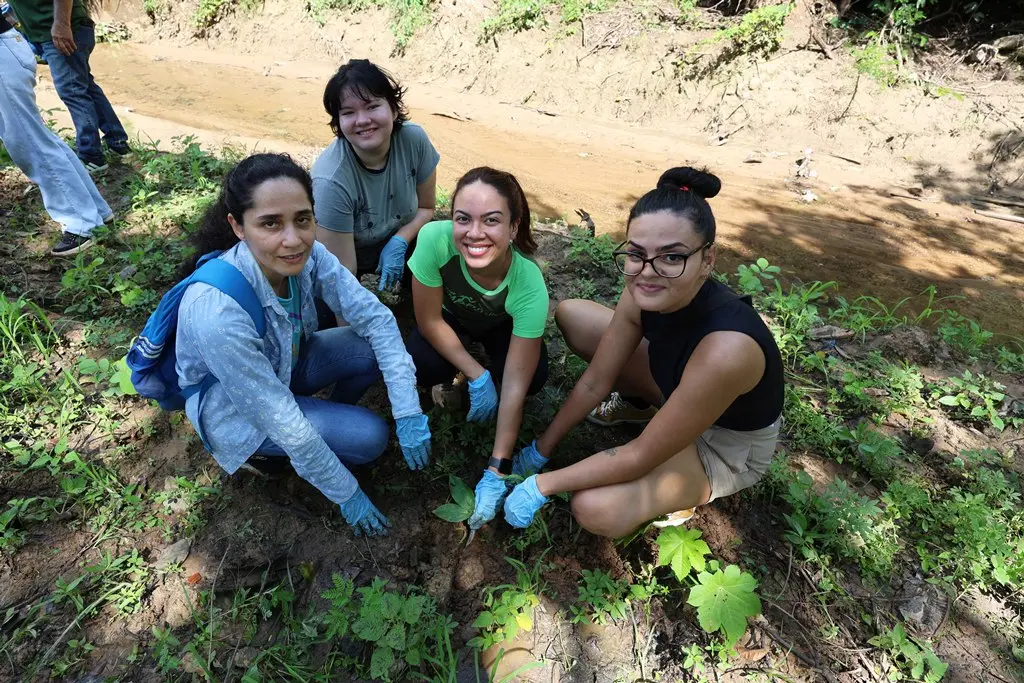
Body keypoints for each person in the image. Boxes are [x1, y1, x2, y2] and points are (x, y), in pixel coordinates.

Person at [502, 167, 784, 538]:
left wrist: (540, 485)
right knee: (575, 315)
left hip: (722, 443)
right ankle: (640, 407)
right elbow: (595, 382)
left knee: (595, 508)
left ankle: (682, 492)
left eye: (672, 257)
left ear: (709, 258)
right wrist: (541, 449)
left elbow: (639, 455)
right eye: (637, 254)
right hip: (679, 389)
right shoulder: (643, 285)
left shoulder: (728, 348)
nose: (648, 273)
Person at [175, 153, 433, 537]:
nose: (292, 240)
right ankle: (262, 454)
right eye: (270, 224)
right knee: (371, 438)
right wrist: (347, 494)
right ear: (238, 226)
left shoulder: (310, 256)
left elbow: (376, 319)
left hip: (284, 365)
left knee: (366, 345)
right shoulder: (217, 315)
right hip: (236, 408)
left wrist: (408, 412)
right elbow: (281, 418)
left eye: (303, 219)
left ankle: (328, 421)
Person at [405, 166, 549, 532]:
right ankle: (455, 377)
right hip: (449, 319)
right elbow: (429, 321)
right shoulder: (434, 240)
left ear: (514, 227)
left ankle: (482, 377)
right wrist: (477, 373)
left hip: (499, 325)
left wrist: (496, 469)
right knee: (420, 359)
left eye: (491, 221)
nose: (474, 233)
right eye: (463, 219)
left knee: (534, 377)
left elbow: (515, 388)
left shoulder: (528, 284)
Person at [311, 59, 439, 290]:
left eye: (372, 107)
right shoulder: (331, 181)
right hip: (349, 268)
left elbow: (427, 208)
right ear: (338, 122)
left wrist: (400, 239)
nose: (362, 120)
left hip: (404, 245)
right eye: (349, 112)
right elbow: (341, 277)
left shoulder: (414, 141)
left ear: (393, 108)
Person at [1, 14, 111, 255]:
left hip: (2, 55)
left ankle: (82, 224)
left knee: (29, 144)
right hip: (8, 46)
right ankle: (96, 212)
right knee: (37, 140)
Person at [6, 0, 130, 173]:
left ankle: (92, 156)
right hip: (53, 31)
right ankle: (117, 143)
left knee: (73, 91)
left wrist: (61, 24)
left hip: (64, 30)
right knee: (84, 86)